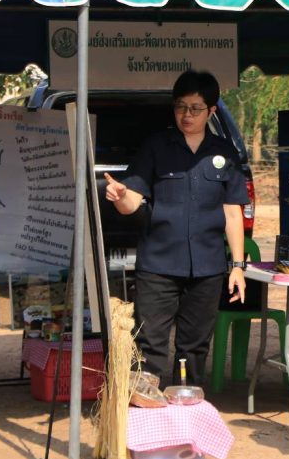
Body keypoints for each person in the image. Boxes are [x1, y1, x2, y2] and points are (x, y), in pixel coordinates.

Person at [104, 70, 248, 386]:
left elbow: (233, 213)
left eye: (195, 108)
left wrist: (237, 266)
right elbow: (131, 202)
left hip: (207, 268)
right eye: (181, 107)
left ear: (211, 111)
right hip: (158, 265)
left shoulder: (225, 153)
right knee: (149, 345)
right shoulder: (155, 147)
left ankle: (186, 406)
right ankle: (147, 408)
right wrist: (120, 195)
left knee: (194, 348)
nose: (187, 115)